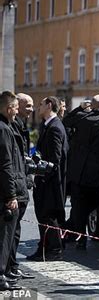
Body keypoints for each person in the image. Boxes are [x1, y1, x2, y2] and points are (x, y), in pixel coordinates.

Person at [63, 95, 99, 250]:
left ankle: (81, 239)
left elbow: (65, 121)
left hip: (79, 173)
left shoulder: (82, 118)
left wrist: (80, 108)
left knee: (78, 209)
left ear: (92, 105)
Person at [27, 96, 69, 261]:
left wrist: (41, 172)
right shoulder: (48, 125)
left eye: (41, 104)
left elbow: (55, 160)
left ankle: (55, 249)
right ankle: (43, 247)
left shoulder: (55, 127)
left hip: (50, 182)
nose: (38, 107)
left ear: (49, 106)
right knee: (43, 216)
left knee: (49, 216)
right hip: (45, 180)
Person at [5, 93, 35, 280]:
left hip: (20, 182)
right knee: (8, 233)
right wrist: (12, 194)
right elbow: (8, 163)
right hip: (14, 186)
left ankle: (11, 266)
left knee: (14, 232)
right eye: (27, 106)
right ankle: (5, 270)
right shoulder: (8, 127)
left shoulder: (19, 125)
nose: (31, 110)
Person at [0, 91, 26, 291]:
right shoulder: (4, 130)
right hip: (5, 193)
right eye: (16, 107)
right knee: (5, 237)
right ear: (9, 109)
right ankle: (1, 276)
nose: (18, 111)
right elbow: (6, 165)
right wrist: (11, 195)